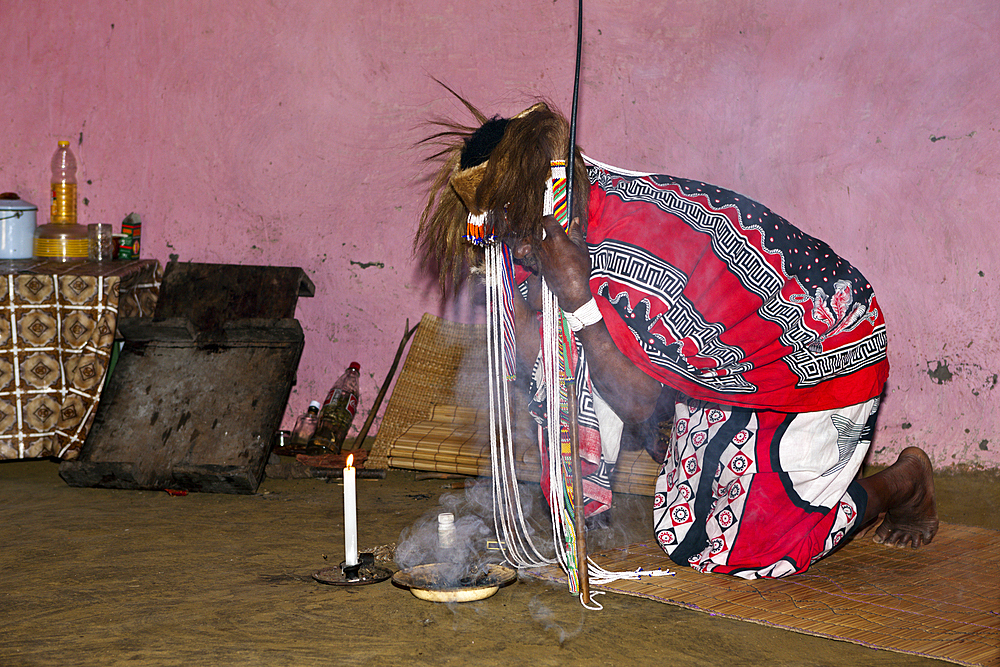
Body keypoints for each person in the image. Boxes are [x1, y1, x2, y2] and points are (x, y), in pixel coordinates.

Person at [415, 97, 938, 579]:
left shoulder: (627, 253)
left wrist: (578, 300)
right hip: (729, 373)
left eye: (516, 229)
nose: (515, 248)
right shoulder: (566, 223)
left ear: (553, 201)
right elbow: (552, 363)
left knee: (744, 550)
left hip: (827, 353)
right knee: (683, 530)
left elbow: (641, 403)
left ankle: (903, 483)